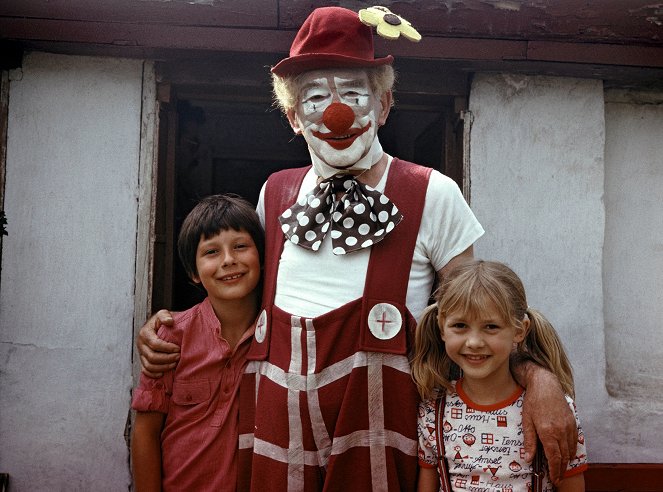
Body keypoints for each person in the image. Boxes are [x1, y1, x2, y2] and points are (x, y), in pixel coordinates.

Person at [136, 6, 578, 490]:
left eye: (353, 93)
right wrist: (170, 328)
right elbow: (237, 293)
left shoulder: (432, 191)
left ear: (384, 105)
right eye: (315, 97)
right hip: (278, 435)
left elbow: (479, 312)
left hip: (380, 433)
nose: (337, 111)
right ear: (293, 117)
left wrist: (538, 376)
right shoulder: (275, 192)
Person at [412, 260, 587, 491]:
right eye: (460, 325)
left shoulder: (554, 411)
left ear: (519, 331)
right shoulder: (432, 413)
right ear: (442, 327)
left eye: (491, 327)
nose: (474, 342)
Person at [130, 194, 264, 491]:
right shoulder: (171, 337)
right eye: (211, 252)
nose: (229, 260)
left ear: (263, 257)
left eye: (241, 246)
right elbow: (146, 432)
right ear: (193, 273)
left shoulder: (278, 334)